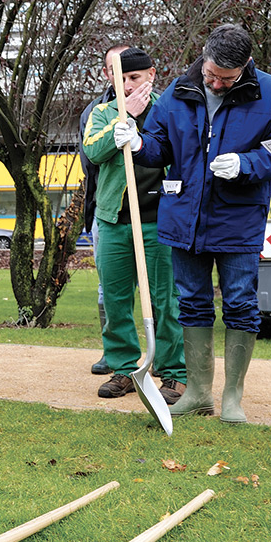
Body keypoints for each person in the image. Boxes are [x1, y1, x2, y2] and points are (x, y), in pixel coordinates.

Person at [114, 24, 271, 423]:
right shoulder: (181, 89)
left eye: (226, 79)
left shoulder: (270, 92)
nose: (215, 83)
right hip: (184, 217)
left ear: (247, 65)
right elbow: (159, 147)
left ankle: (232, 397)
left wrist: (247, 164)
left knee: (239, 303)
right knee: (192, 303)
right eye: (212, 74)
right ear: (204, 55)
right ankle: (197, 392)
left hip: (238, 219)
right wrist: (139, 141)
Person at [83, 46, 186, 403]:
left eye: (134, 78)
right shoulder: (102, 112)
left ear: (151, 75)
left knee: (165, 301)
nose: (127, 85)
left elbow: (180, 151)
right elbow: (93, 152)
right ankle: (124, 369)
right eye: (120, 78)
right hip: (114, 219)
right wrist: (122, 122)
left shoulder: (170, 108)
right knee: (115, 300)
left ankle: (174, 373)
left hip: (159, 221)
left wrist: (144, 121)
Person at [79, 43, 130, 377]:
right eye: (116, 70)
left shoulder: (162, 107)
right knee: (108, 288)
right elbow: (91, 161)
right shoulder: (94, 112)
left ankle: (167, 359)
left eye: (130, 71)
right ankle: (113, 353)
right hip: (107, 211)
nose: (124, 79)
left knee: (161, 291)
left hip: (155, 212)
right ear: (106, 74)